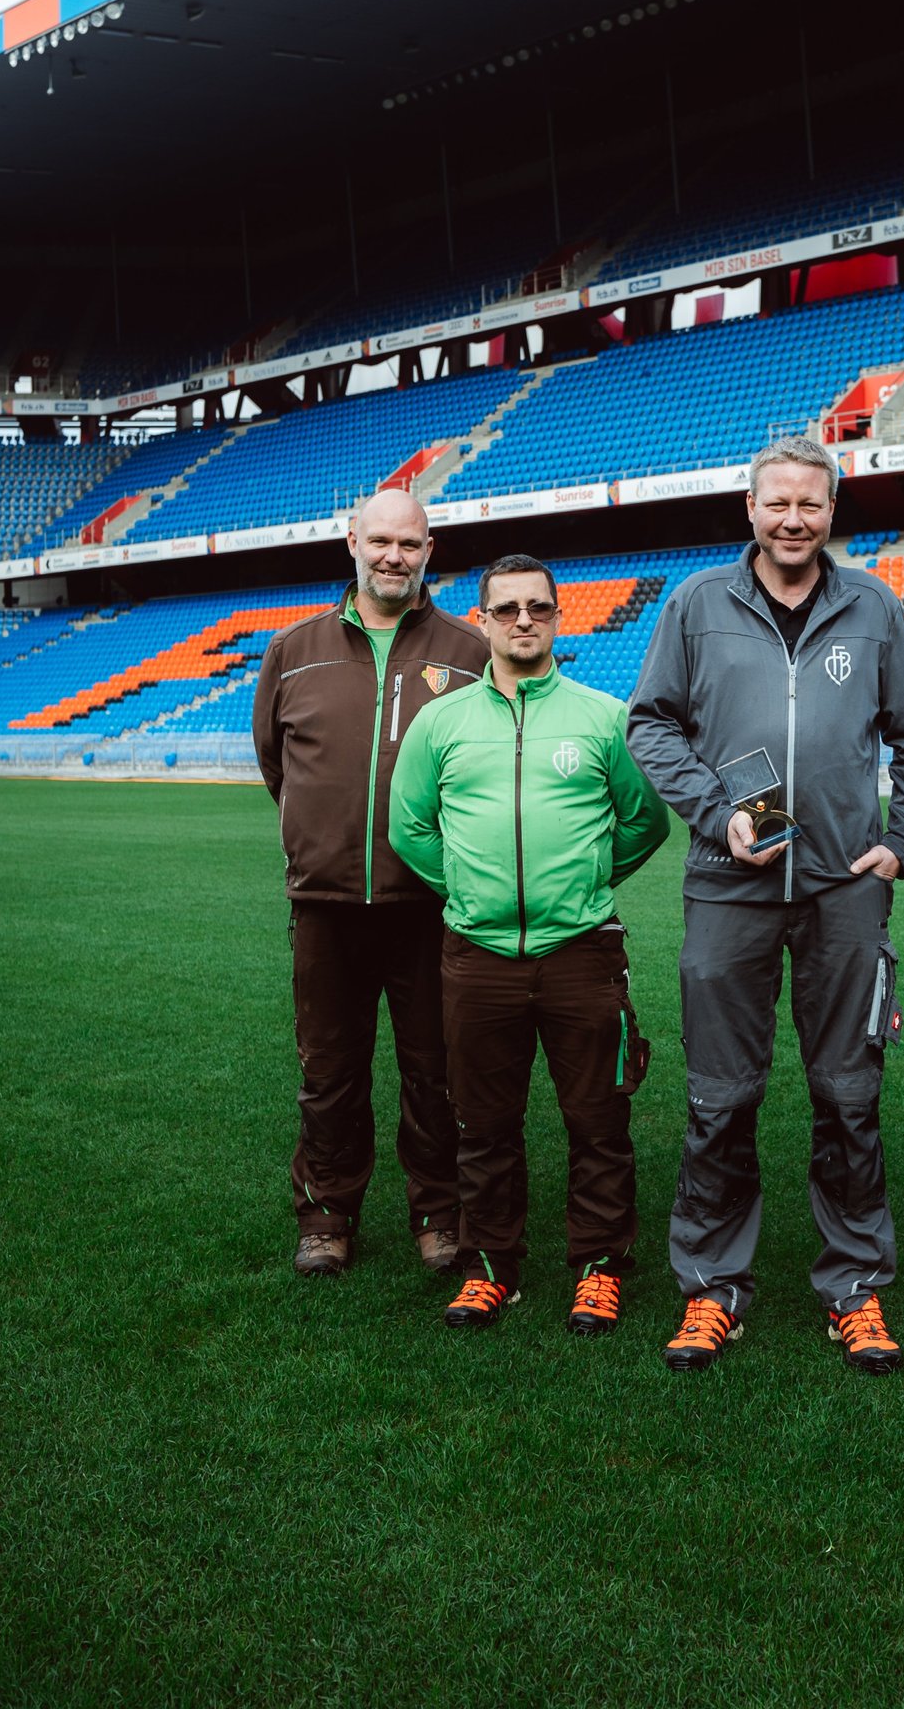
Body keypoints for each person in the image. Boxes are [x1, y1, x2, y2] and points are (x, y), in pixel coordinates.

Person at [627, 435, 904, 1374]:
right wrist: (718, 811)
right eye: (779, 505)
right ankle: (711, 1289)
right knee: (720, 1098)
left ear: (831, 513)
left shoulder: (875, 606)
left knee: (849, 1095)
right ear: (751, 511)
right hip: (729, 887)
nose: (793, 520)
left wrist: (903, 843)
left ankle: (855, 1287)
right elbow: (650, 724)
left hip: (846, 889)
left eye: (811, 505)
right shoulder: (694, 604)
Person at [388, 553, 670, 1335]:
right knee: (482, 1124)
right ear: (481, 622)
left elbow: (644, 820)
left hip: (581, 953)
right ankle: (489, 1268)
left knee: (599, 1124)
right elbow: (408, 824)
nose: (522, 621)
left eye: (537, 609)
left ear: (557, 616)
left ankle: (599, 1268)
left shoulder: (602, 716)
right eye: (505, 609)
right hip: (476, 957)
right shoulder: (440, 721)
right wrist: (469, 889)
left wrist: (581, 884)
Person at [251, 488, 490, 1278]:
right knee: (329, 1073)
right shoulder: (295, 649)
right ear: (351, 542)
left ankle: (437, 1211)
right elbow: (277, 765)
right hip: (324, 907)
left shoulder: (468, 650)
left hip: (429, 906)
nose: (394, 556)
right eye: (380, 540)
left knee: (435, 1072)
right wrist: (326, 840)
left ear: (431, 552)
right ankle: (325, 1215)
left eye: (410, 544)